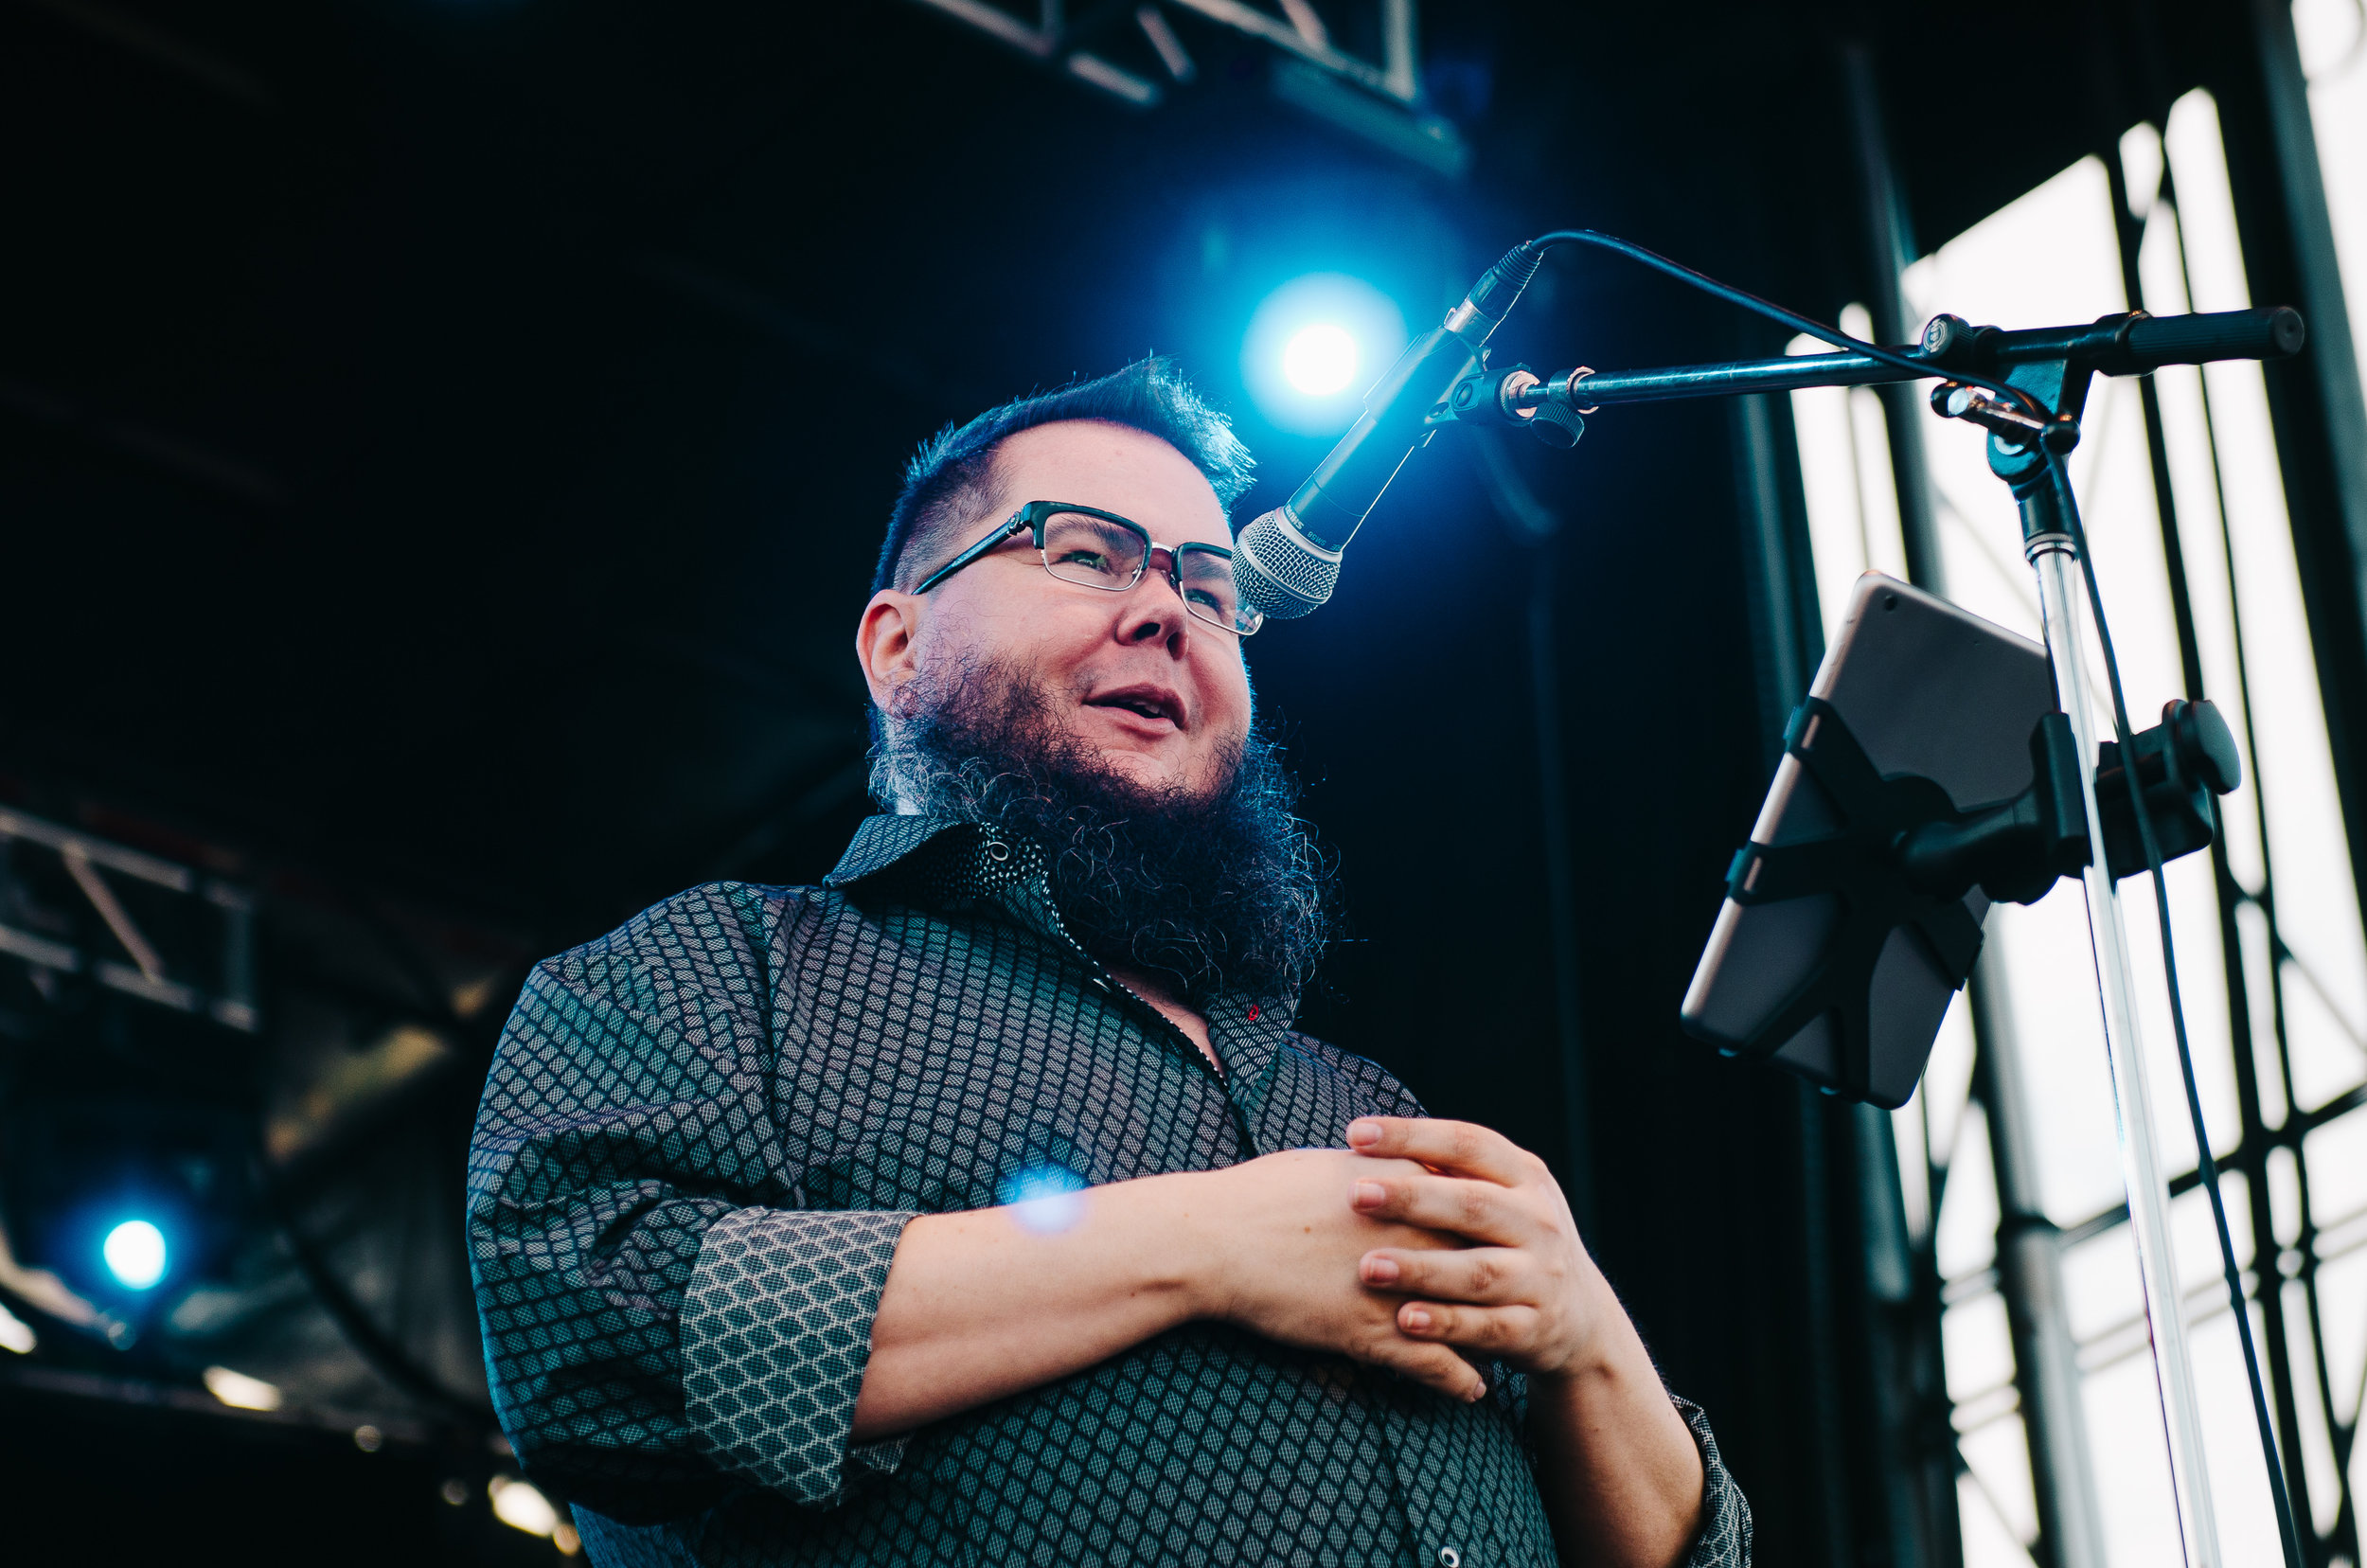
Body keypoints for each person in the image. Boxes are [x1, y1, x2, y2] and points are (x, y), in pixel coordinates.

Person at [468, 358, 1751, 1568]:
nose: (1165, 613)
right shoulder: (720, 969)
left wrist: (1586, 1334)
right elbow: (587, 1335)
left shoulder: (1367, 1108)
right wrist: (1198, 1244)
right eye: (1086, 555)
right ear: (895, 648)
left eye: (1209, 592)